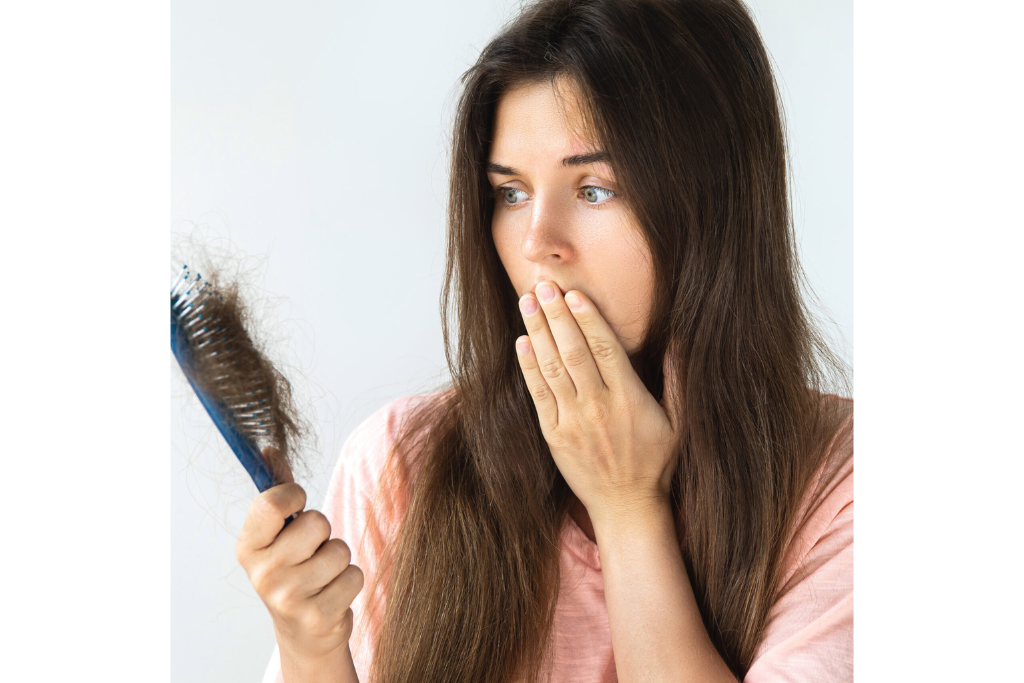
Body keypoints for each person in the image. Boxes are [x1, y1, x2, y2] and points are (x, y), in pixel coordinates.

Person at [236, 0, 853, 681]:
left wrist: (626, 506)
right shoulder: (398, 464)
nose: (537, 242)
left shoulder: (843, 484)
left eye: (594, 189)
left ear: (717, 204)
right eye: (511, 193)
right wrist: (312, 647)